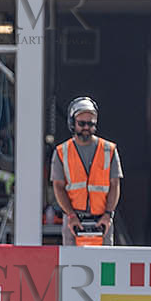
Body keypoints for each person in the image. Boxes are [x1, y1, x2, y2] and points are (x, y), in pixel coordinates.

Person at [50, 96, 121, 245]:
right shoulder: (62, 152)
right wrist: (71, 215)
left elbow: (115, 185)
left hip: (102, 221)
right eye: (81, 123)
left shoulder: (109, 150)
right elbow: (58, 187)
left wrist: (108, 215)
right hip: (74, 221)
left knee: (105, 266)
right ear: (72, 123)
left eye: (90, 124)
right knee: (73, 266)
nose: (86, 128)